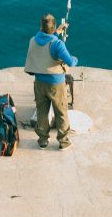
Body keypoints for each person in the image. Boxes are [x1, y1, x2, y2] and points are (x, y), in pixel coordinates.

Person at [24, 13, 78, 150]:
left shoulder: (33, 40)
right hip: (56, 84)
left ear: (40, 26)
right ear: (53, 27)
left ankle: (42, 140)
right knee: (61, 111)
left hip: (39, 83)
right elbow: (70, 61)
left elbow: (45, 44)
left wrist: (56, 33)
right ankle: (63, 141)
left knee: (42, 111)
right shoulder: (57, 44)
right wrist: (75, 58)